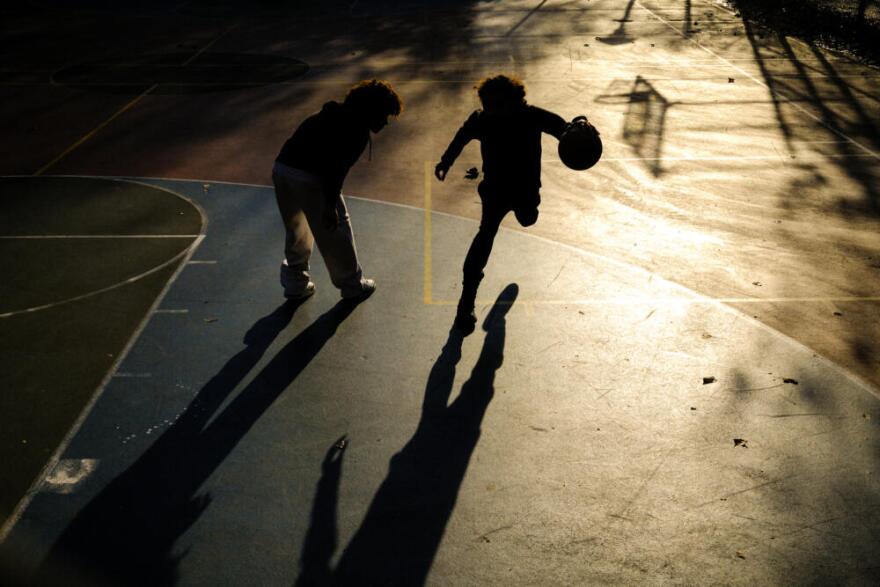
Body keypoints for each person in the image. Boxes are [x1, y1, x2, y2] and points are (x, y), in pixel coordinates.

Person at [434, 74, 569, 333]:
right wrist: (446, 161)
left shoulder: (531, 116)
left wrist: (581, 125)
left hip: (526, 189)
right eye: (486, 106)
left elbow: (562, 128)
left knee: (528, 219)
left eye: (495, 105)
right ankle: (466, 302)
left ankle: (469, 300)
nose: (489, 111)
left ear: (515, 102)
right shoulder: (482, 119)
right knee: (485, 235)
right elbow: (461, 137)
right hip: (495, 190)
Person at [272, 79, 403, 300]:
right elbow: (335, 172)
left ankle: (295, 282)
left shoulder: (329, 114)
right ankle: (352, 285)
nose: (386, 123)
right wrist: (329, 206)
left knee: (297, 228)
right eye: (385, 115)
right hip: (310, 177)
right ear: (371, 111)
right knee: (336, 230)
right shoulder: (356, 132)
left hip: (283, 169)